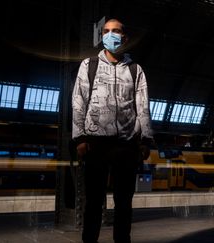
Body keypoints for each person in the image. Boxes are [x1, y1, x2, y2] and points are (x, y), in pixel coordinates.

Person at [72, 18, 153, 243]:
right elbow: (79, 101)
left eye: (115, 31)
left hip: (126, 144)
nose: (110, 35)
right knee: (94, 202)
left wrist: (145, 139)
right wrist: (79, 137)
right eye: (106, 31)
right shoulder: (89, 66)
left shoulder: (136, 70)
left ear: (124, 37)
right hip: (96, 143)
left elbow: (142, 106)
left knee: (124, 202)